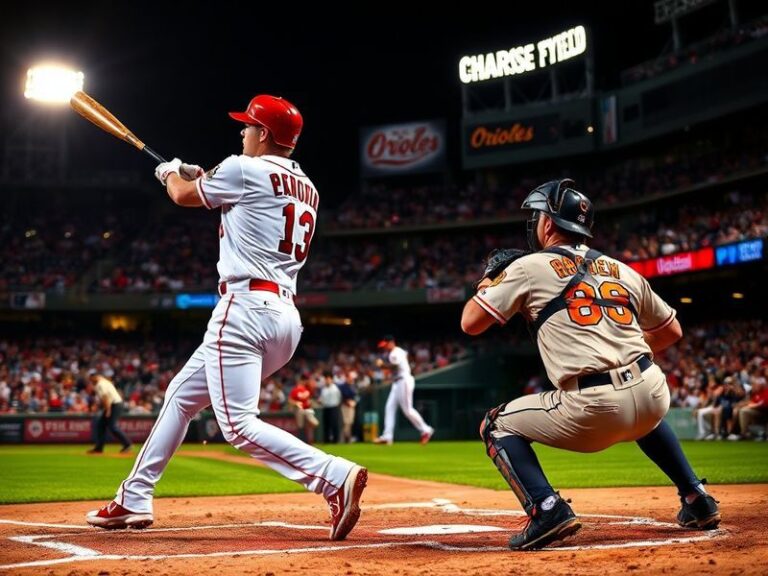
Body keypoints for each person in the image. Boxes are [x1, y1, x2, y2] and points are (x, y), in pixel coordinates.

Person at [86, 94, 367, 541]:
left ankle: (333, 476)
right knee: (180, 394)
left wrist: (169, 172)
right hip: (284, 317)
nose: (242, 132)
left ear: (266, 134)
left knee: (237, 424)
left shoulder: (242, 167)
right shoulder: (307, 184)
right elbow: (237, 195)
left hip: (244, 308)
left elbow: (181, 195)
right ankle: (134, 497)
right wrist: (199, 173)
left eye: (248, 126)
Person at [461, 178, 720, 551]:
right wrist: (621, 357)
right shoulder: (622, 269)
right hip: (652, 393)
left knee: (494, 424)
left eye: (536, 216)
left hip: (592, 407)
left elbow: (470, 323)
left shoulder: (530, 266)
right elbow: (671, 331)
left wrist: (490, 279)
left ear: (548, 224)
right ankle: (697, 497)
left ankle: (547, 508)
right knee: (642, 406)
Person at [373, 335, 434, 445]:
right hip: (397, 382)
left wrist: (382, 365)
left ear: (391, 342)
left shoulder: (396, 352)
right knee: (389, 407)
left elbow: (394, 367)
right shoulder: (395, 353)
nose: (385, 347)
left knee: (407, 410)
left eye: (386, 344)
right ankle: (387, 436)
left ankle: (426, 430)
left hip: (403, 381)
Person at [87, 371, 132, 454]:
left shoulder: (100, 384)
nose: (91, 381)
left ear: (95, 377)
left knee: (112, 426)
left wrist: (108, 410)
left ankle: (127, 444)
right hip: (115, 404)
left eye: (91, 379)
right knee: (101, 425)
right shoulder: (104, 381)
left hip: (114, 405)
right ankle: (99, 448)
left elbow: (106, 397)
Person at [289, 372, 320, 444]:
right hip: (300, 410)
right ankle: (304, 442)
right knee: (301, 426)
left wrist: (310, 402)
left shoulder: (307, 388)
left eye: (306, 379)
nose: (306, 381)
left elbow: (311, 396)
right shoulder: (295, 389)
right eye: (305, 379)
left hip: (307, 410)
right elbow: (290, 400)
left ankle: (310, 440)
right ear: (301, 380)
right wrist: (296, 403)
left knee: (314, 423)